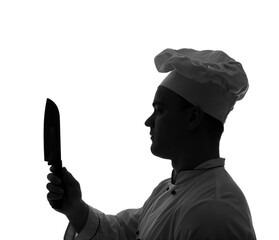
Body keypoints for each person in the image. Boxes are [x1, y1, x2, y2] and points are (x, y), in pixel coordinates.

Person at [46, 48, 257, 240]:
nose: (149, 121)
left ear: (193, 118)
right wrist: (75, 208)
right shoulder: (168, 189)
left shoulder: (213, 212)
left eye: (160, 110)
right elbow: (123, 232)